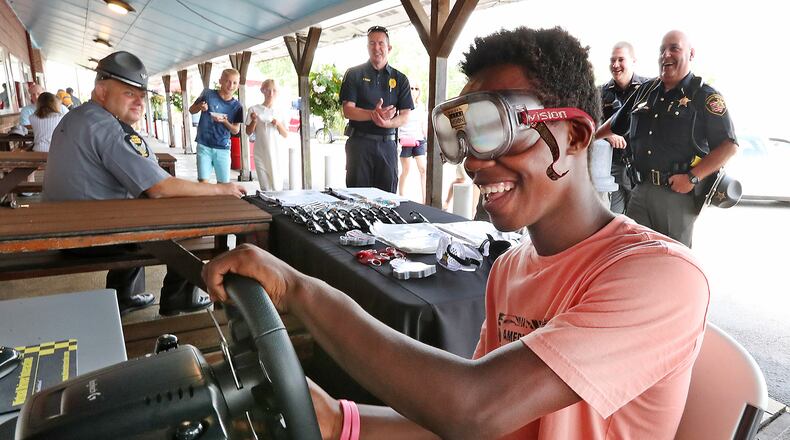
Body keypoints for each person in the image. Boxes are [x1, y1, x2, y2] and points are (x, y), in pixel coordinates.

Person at [204, 27, 709, 439]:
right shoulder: (510, 267)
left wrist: (297, 289)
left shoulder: (662, 276)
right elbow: (473, 423)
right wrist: (341, 420)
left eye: (495, 130)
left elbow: (473, 408)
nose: (473, 161)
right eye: (462, 138)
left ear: (574, 135)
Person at [43, 51, 247, 316]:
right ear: (102, 92)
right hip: (88, 237)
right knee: (194, 216)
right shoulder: (108, 129)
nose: (139, 102)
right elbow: (160, 188)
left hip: (65, 224)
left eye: (142, 95)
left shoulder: (78, 115)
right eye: (129, 94)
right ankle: (177, 298)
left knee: (136, 205)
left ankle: (123, 296)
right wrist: (222, 189)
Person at [597, 30, 738, 247]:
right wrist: (587, 138)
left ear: (691, 54)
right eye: (662, 50)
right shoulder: (645, 90)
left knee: (672, 262)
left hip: (676, 195)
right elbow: (616, 124)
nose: (666, 55)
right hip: (640, 190)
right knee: (633, 255)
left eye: (674, 48)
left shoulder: (704, 96)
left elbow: (729, 146)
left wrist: (692, 178)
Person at [339, 25, 413, 193]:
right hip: (359, 145)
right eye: (372, 43)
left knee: (387, 199)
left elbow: (405, 116)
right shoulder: (353, 74)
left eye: (380, 43)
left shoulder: (400, 79)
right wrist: (373, 114)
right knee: (357, 198)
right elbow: (348, 110)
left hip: (387, 145)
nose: (376, 48)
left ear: (389, 47)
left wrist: (386, 123)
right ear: (367, 47)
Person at [599, 42, 650, 214]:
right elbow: (589, 123)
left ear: (633, 61)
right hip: (613, 168)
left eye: (621, 59)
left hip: (643, 169)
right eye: (612, 60)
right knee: (616, 220)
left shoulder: (648, 88)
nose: (615, 65)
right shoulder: (600, 93)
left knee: (641, 221)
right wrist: (608, 134)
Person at [189, 68, 243, 184]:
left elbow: (235, 130)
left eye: (234, 83)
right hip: (204, 145)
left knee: (224, 185)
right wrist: (200, 107)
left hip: (223, 148)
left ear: (238, 85)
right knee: (203, 183)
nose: (231, 85)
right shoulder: (207, 94)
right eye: (227, 81)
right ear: (220, 81)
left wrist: (224, 121)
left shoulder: (238, 106)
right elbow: (191, 110)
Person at [246, 79, 288, 191]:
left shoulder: (280, 111)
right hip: (260, 152)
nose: (271, 93)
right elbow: (248, 132)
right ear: (262, 91)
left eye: (274, 90)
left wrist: (277, 123)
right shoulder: (254, 109)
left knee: (277, 186)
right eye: (268, 90)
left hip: (276, 153)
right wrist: (254, 121)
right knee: (265, 187)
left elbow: (285, 134)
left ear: (278, 92)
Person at [397, 85, 427, 202]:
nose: (414, 91)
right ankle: (401, 196)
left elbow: (423, 124)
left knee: (423, 169)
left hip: (419, 139)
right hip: (405, 140)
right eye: (411, 88)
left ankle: (425, 199)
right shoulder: (402, 104)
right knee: (406, 170)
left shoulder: (421, 106)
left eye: (416, 88)